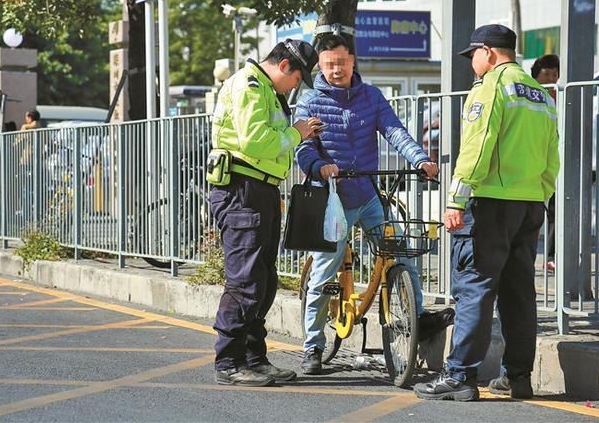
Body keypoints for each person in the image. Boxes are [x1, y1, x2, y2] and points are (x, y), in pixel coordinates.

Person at [413, 24, 559, 401]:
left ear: (489, 53)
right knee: (519, 293)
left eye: (473, 55)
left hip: (490, 204)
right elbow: (551, 158)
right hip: (529, 205)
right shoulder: (540, 94)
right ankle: (518, 377)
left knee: (474, 290)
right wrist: (538, 197)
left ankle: (460, 375)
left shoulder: (491, 87)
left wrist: (455, 199)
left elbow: (476, 147)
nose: (472, 64)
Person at [294, 33, 448, 375]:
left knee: (401, 252)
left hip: (368, 194)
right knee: (323, 271)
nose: (336, 70)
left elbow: (395, 131)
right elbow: (302, 148)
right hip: (332, 198)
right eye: (329, 64)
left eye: (342, 62)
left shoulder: (371, 96)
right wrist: (319, 166)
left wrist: (421, 159)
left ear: (353, 61)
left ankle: (417, 316)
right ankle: (313, 348)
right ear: (320, 64)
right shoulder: (309, 102)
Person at [209, 39, 321, 387]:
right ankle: (229, 361)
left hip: (261, 190)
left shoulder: (269, 92)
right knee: (245, 280)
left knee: (264, 280)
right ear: (286, 67)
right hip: (241, 190)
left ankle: (254, 358)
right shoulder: (249, 85)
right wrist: (296, 133)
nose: (296, 89)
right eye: (298, 80)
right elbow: (256, 142)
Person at [531, 54, 560, 273]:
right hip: (536, 164)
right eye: (546, 74)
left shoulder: (562, 97)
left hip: (554, 164)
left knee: (555, 211)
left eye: (554, 75)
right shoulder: (532, 97)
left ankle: (550, 256)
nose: (551, 79)